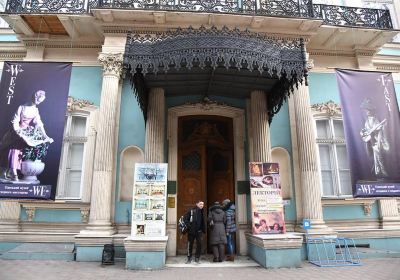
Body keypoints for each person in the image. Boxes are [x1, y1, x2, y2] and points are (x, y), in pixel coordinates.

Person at [0, 90, 53, 181]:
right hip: (16, 131)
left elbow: (39, 124)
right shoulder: (22, 107)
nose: (38, 102)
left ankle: (10, 171)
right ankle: (12, 172)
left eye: (40, 101)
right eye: (38, 100)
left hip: (25, 132)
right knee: (13, 150)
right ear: (35, 96)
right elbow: (15, 120)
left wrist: (45, 136)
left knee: (20, 152)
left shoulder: (35, 110)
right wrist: (18, 131)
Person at [359, 98, 389, 178]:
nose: (366, 112)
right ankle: (378, 171)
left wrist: (379, 142)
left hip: (376, 141)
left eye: (367, 110)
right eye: (366, 110)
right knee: (376, 157)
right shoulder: (367, 121)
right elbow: (365, 131)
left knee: (379, 157)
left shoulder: (375, 119)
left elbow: (379, 131)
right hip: (371, 141)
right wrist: (364, 134)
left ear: (371, 111)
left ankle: (381, 172)